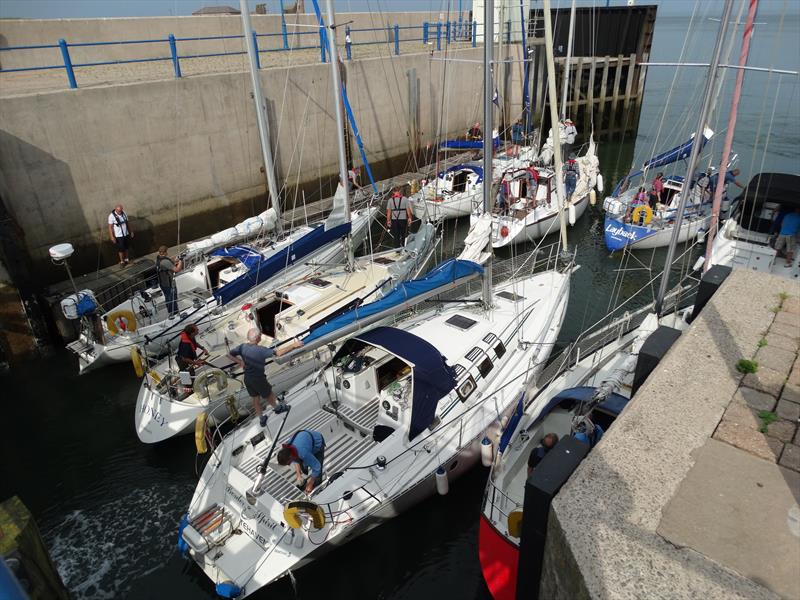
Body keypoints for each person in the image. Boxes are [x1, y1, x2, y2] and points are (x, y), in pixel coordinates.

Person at [228, 328, 302, 427]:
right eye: (260, 335)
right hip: (258, 378)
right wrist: (293, 345)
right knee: (269, 394)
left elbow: (228, 354)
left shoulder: (242, 347)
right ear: (258, 338)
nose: (261, 337)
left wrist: (240, 362)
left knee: (255, 399)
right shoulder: (261, 350)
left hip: (248, 379)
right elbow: (278, 353)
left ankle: (261, 418)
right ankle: (277, 408)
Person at [277, 429, 326, 494]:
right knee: (303, 467)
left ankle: (315, 487)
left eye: (288, 463)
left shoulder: (303, 453)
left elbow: (317, 467)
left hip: (318, 443)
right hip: (305, 444)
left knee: (317, 475)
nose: (289, 465)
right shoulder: (287, 447)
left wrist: (310, 484)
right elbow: (295, 459)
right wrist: (298, 474)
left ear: (290, 457)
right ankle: (304, 480)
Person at [156, 246, 182, 317]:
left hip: (162, 283)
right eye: (167, 251)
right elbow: (177, 269)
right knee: (172, 298)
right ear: (165, 252)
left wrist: (174, 260)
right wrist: (180, 261)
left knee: (167, 297)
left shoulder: (158, 258)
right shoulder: (165, 262)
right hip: (168, 283)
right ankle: (175, 313)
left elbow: (168, 261)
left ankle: (171, 311)